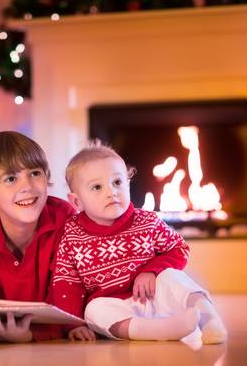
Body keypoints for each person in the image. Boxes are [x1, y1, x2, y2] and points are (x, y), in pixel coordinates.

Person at [51, 141, 228, 344]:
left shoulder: (146, 221)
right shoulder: (73, 235)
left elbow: (179, 248)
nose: (111, 192)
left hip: (155, 297)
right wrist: (75, 324)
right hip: (118, 308)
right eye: (97, 187)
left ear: (128, 183)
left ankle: (209, 320)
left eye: (117, 182)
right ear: (76, 201)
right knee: (94, 310)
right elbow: (66, 283)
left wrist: (152, 271)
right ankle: (158, 330)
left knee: (173, 277)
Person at [0, 131, 75, 342]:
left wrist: (32, 335)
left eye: (35, 173)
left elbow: (67, 294)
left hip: (52, 342)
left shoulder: (64, 217)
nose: (27, 186)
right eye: (11, 178)